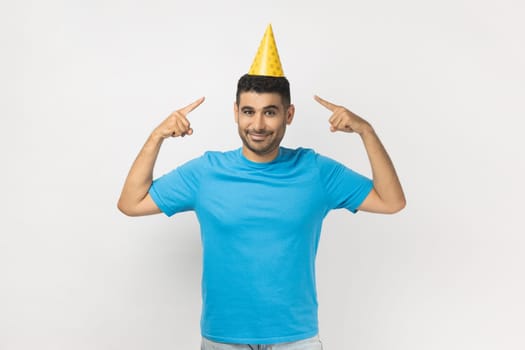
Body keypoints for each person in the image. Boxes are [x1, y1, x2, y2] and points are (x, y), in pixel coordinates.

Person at [118, 25, 405, 350]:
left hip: (297, 339)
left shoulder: (316, 171)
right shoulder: (207, 172)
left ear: (289, 114)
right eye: (248, 112)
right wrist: (156, 137)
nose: (257, 125)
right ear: (236, 113)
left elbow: (391, 201)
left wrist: (366, 131)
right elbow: (131, 203)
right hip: (224, 339)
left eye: (270, 112)